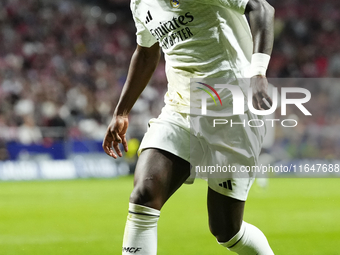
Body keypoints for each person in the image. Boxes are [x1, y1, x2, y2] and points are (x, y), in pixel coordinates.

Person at [103, 0, 275, 254]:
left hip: (233, 111)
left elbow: (262, 8)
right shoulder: (140, 3)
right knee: (144, 196)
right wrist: (122, 111)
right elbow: (146, 51)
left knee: (226, 230)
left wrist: (258, 73)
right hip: (180, 110)